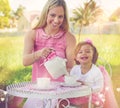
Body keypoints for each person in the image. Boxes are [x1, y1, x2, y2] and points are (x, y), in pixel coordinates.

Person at [22, 0, 76, 108]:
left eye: (60, 16)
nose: (56, 20)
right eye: (52, 15)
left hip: (60, 92)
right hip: (39, 90)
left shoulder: (69, 38)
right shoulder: (33, 34)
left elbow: (70, 66)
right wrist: (39, 54)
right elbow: (25, 61)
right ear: (45, 13)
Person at [69, 40, 104, 108]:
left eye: (87, 51)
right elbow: (71, 83)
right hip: (76, 95)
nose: (84, 53)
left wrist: (88, 89)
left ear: (93, 55)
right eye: (80, 52)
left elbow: (100, 87)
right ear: (76, 57)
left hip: (91, 96)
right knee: (61, 102)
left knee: (85, 105)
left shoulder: (96, 71)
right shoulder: (75, 69)